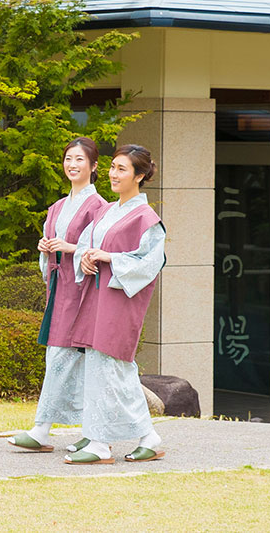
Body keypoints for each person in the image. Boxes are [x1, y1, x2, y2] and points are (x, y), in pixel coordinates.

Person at [63, 144, 167, 465]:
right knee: (107, 369)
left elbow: (151, 263)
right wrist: (85, 259)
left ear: (139, 176)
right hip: (99, 299)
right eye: (112, 167)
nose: (113, 174)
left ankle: (102, 442)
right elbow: (85, 246)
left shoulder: (146, 218)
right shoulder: (106, 211)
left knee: (113, 368)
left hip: (121, 301)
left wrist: (110, 257)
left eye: (122, 169)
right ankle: (138, 438)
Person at [9, 136, 107, 453]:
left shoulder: (98, 207)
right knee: (66, 359)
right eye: (68, 159)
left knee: (64, 358)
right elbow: (52, 246)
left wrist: (71, 248)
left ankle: (43, 429)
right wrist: (45, 247)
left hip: (80, 293)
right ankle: (87, 431)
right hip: (59, 289)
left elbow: (102, 249)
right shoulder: (58, 207)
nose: (72, 165)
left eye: (79, 159)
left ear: (93, 166)